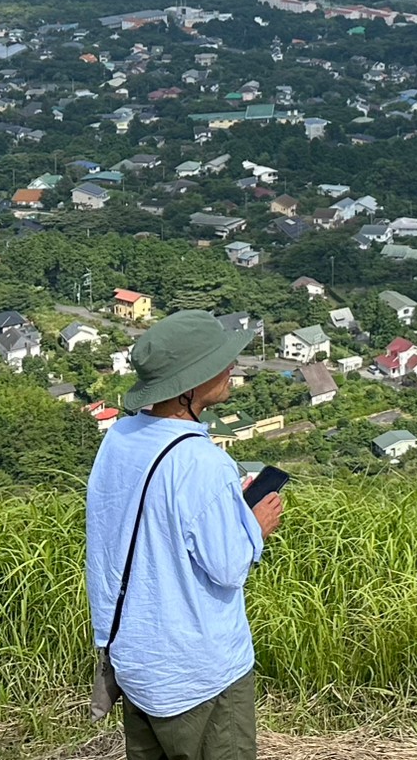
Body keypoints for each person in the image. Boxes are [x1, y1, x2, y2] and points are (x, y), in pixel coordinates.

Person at [86, 309, 285, 760]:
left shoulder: (118, 437)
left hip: (136, 659)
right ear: (188, 386)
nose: (232, 367)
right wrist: (254, 526)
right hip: (199, 671)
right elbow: (228, 566)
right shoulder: (202, 462)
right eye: (220, 362)